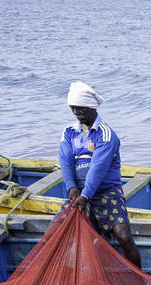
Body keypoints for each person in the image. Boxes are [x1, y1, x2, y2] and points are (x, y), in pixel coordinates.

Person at [58, 81, 141, 268]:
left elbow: (98, 169)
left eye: (81, 108)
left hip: (106, 192)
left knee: (123, 236)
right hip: (78, 194)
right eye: (73, 108)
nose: (77, 113)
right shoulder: (69, 132)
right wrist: (72, 188)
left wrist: (85, 196)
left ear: (92, 107)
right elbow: (66, 161)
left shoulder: (106, 134)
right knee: (61, 235)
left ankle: (140, 281)